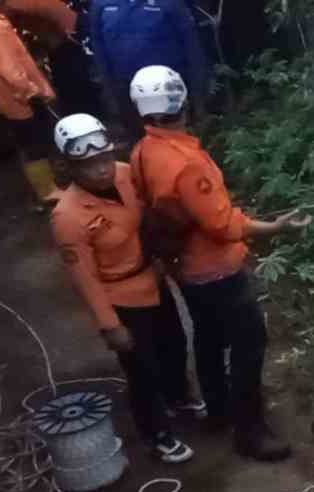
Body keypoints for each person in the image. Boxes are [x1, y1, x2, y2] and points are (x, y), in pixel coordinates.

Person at [127, 65, 309, 462]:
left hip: (185, 268)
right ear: (180, 102)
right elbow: (224, 224)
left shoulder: (144, 152)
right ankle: (251, 430)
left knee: (208, 338)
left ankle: (218, 410)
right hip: (216, 269)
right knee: (248, 344)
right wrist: (276, 227)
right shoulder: (184, 162)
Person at [49, 113, 201, 463]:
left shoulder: (125, 174)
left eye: (103, 159)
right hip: (121, 299)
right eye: (88, 165)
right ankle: (156, 433)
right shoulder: (68, 217)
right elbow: (83, 277)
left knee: (175, 345)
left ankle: (179, 397)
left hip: (153, 279)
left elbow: (148, 217)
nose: (101, 169)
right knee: (141, 369)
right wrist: (110, 325)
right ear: (71, 167)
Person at [0, 0, 59, 204]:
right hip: (20, 96)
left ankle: (43, 188)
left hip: (10, 95)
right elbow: (9, 69)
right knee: (34, 144)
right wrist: (32, 90)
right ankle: (47, 192)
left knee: (28, 143)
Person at [89, 0, 209, 138]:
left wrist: (198, 96)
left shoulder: (171, 3)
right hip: (126, 90)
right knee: (140, 139)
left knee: (178, 140)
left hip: (169, 89)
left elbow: (193, 48)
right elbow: (98, 47)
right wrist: (109, 91)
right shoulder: (100, 4)